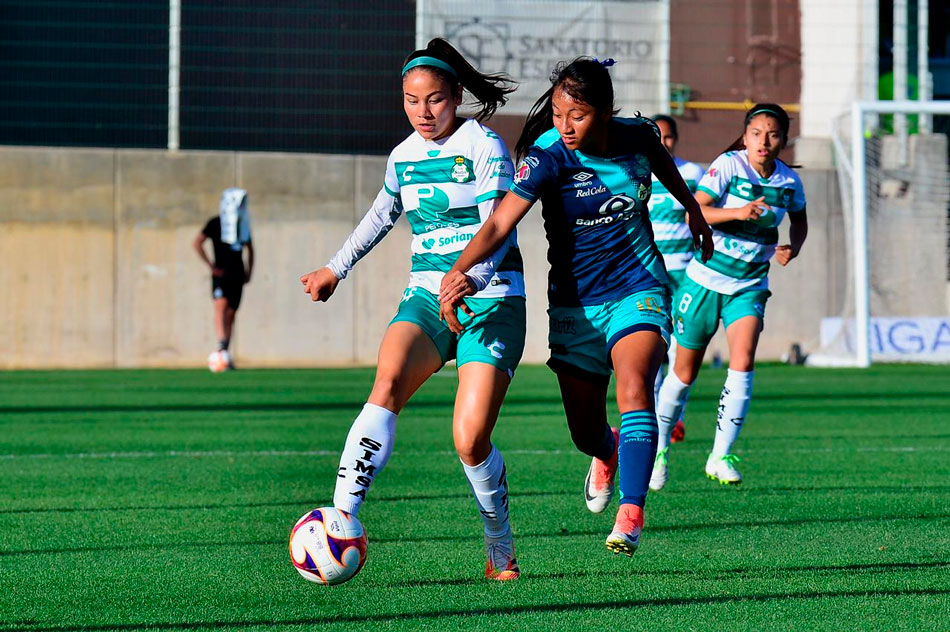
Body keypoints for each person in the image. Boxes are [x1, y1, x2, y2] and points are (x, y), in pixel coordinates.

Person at [438, 58, 712, 557]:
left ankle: (631, 513)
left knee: (635, 386)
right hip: (575, 304)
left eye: (578, 116)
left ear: (605, 112)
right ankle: (607, 452)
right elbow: (499, 224)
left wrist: (692, 208)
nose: (565, 125)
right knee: (585, 432)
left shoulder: (638, 136)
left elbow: (663, 164)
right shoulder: (548, 156)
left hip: (639, 285)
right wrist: (459, 272)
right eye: (558, 113)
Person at [299, 38, 526, 580]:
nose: (423, 112)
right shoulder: (402, 155)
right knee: (387, 381)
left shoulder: (484, 145)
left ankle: (499, 541)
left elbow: (498, 226)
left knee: (469, 440)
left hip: (491, 298)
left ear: (457, 96)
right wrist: (335, 268)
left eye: (435, 99)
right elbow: (381, 216)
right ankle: (341, 519)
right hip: (426, 296)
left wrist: (470, 280)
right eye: (411, 100)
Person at [650, 104, 807, 489]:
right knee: (683, 373)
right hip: (704, 281)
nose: (764, 141)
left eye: (772, 134)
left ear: (783, 140)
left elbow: (800, 220)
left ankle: (720, 455)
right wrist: (738, 212)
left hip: (748, 285)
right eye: (756, 133)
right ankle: (658, 450)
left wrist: (794, 246)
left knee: (743, 361)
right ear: (746, 136)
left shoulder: (789, 182)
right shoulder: (728, 166)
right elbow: (696, 212)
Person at [646, 114, 704, 487]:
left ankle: (675, 416)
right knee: (651, 349)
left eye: (669, 137)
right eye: (658, 137)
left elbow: (704, 211)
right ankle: (652, 419)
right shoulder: (636, 172)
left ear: (677, 139)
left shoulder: (693, 173)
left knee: (681, 350)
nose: (664, 143)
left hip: (685, 274)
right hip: (649, 274)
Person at [193, 187, 254, 369]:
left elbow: (251, 249)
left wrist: (249, 270)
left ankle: (225, 348)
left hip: (237, 273)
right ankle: (221, 344)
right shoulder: (215, 223)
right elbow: (198, 242)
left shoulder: (242, 225)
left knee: (231, 312)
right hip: (221, 273)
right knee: (220, 305)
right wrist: (211, 265)